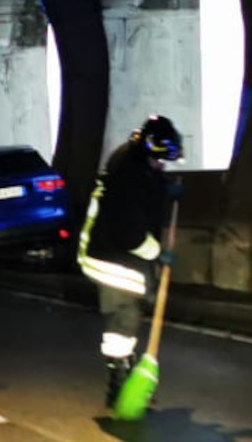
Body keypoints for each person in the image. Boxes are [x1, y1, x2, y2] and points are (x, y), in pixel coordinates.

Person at [77, 115, 184, 409]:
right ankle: (120, 384)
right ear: (150, 152)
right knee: (125, 318)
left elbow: (148, 185)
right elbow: (131, 235)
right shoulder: (129, 179)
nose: (162, 166)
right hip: (111, 260)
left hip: (109, 255)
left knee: (126, 318)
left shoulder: (131, 165)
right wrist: (158, 253)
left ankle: (122, 378)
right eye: (160, 160)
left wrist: (165, 189)